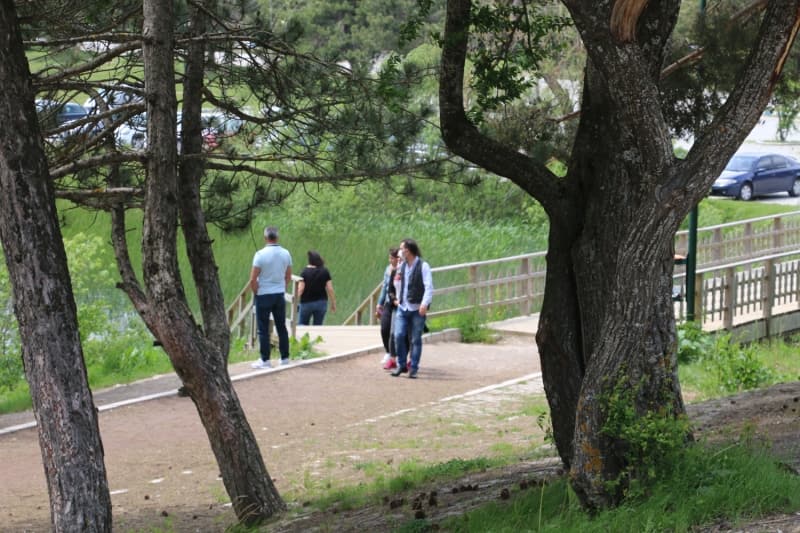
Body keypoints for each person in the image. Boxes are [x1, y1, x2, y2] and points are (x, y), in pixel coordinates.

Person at [249, 226, 293, 369]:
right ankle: (285, 357)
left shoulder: (260, 255)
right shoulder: (286, 253)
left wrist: (256, 292)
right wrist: (282, 287)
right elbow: (288, 276)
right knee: (281, 326)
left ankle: (265, 360)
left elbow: (253, 279)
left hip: (264, 294)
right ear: (277, 237)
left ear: (265, 238)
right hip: (279, 294)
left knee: (262, 328)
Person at [391, 238, 433, 379]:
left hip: (416, 308)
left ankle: (413, 367)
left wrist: (424, 304)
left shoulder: (423, 266)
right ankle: (401, 364)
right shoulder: (402, 266)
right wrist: (396, 298)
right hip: (403, 307)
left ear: (408, 250)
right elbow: (398, 284)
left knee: (415, 339)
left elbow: (429, 287)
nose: (400, 251)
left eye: (402, 248)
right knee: (398, 335)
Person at [297, 250, 337, 325]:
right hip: (321, 303)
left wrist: (295, 300)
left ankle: (303, 337)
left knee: (302, 325)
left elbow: (301, 289)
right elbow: (330, 289)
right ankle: (316, 336)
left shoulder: (304, 272)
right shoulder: (325, 271)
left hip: (306, 303)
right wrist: (333, 303)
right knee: (318, 326)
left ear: (309, 261)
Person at [376, 247, 401, 369]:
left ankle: (395, 356)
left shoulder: (403, 269)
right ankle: (388, 352)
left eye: (392, 258)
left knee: (395, 332)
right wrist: (379, 303)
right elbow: (384, 287)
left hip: (398, 303)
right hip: (387, 302)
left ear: (398, 258)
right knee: (384, 328)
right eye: (389, 257)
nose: (390, 260)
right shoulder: (388, 269)